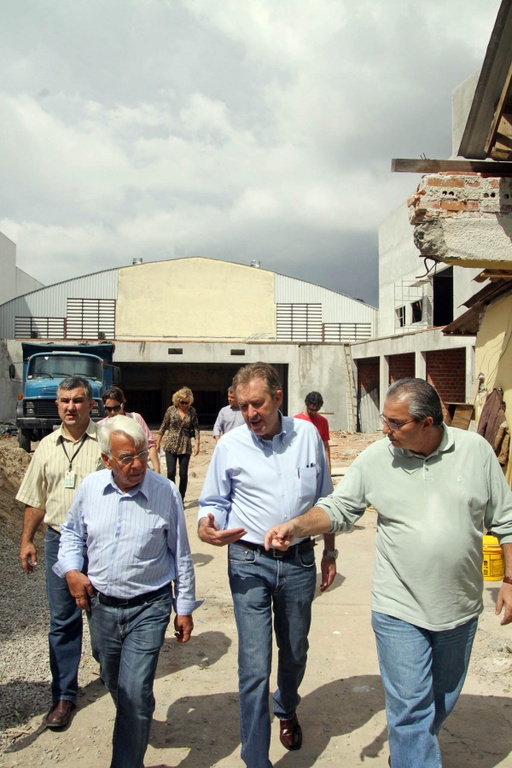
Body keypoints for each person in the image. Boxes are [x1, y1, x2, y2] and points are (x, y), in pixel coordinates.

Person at [265, 377, 512, 768]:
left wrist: (510, 581)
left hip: (459, 609)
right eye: (385, 420)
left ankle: (408, 755)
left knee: (438, 703)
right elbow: (339, 508)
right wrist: (297, 526)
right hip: (397, 609)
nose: (386, 430)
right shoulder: (378, 457)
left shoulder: (476, 452)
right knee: (411, 709)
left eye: (396, 423)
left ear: (428, 423)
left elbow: (506, 521)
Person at [198, 362, 337, 768]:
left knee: (294, 651)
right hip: (248, 562)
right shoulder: (230, 446)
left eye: (257, 404)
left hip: (298, 562)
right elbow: (213, 502)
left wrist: (330, 552)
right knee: (254, 665)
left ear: (278, 398)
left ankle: (287, 706)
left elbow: (325, 501)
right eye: (243, 406)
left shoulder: (307, 435)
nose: (250, 414)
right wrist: (209, 526)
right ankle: (254, 758)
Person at [53, 415, 197, 768]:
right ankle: (140, 713)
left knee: (132, 692)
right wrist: (71, 570)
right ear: (106, 460)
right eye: (127, 459)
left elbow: (181, 552)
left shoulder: (164, 492)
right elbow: (71, 534)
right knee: (113, 679)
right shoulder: (91, 488)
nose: (137, 466)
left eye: (142, 457)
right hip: (101, 607)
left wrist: (184, 606)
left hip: (150, 606)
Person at [16, 376, 104, 729]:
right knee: (62, 623)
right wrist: (27, 541)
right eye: (65, 400)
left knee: (104, 621)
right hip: (57, 543)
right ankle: (64, 695)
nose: (71, 407)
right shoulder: (47, 448)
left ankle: (115, 677)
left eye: (78, 400)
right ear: (57, 405)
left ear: (91, 404)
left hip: (99, 546)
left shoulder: (106, 443)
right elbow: (37, 500)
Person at [99, 385, 160, 473]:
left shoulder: (136, 418)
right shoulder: (101, 426)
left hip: (137, 468)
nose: (112, 412)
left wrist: (157, 469)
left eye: (116, 408)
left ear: (122, 404)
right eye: (108, 409)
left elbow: (150, 444)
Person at [156, 387, 200, 502]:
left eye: (187, 402)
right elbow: (163, 426)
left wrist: (197, 444)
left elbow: (196, 428)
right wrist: (158, 442)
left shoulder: (192, 411)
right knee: (171, 472)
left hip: (185, 445)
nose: (184, 405)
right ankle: (172, 496)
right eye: (182, 402)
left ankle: (181, 498)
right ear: (177, 401)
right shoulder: (171, 410)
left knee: (183, 474)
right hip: (171, 444)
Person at [294, 391, 331, 470]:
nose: (313, 412)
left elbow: (325, 446)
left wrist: (328, 468)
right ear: (306, 405)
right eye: (311, 409)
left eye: (316, 409)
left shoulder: (323, 421)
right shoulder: (296, 421)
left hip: (316, 463)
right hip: (300, 463)